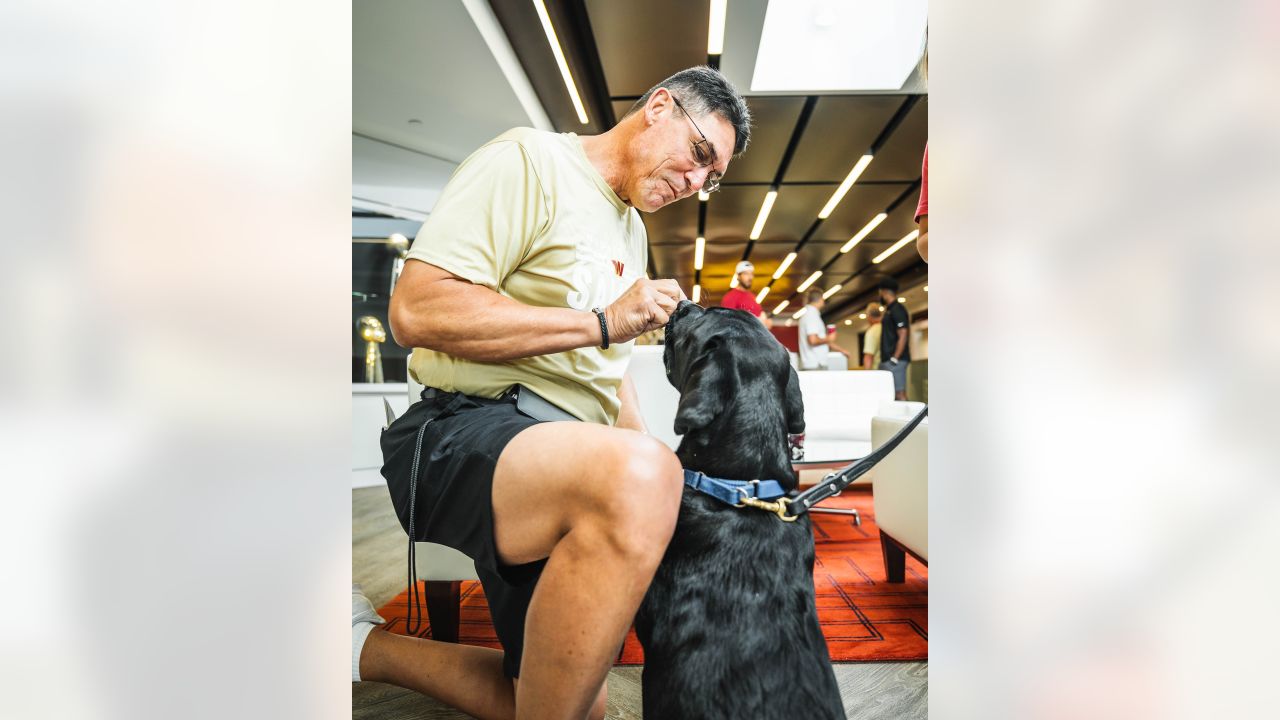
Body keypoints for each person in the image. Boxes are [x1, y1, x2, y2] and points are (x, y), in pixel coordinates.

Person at [354, 66, 752, 720]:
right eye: (698, 155)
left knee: (565, 705)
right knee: (646, 477)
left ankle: (360, 648)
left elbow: (608, 370)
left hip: (560, 456)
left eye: (711, 178)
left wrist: (652, 462)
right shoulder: (530, 161)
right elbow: (417, 310)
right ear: (658, 107)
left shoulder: (632, 231)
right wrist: (601, 322)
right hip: (458, 433)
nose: (695, 182)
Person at [797, 288, 850, 370]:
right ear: (821, 299)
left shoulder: (810, 315)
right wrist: (829, 338)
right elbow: (813, 340)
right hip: (815, 364)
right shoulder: (811, 316)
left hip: (814, 363)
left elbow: (822, 341)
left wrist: (841, 350)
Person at [877, 277, 911, 400]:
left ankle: (909, 419)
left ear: (884, 292)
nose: (879, 295)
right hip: (888, 360)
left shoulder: (897, 309)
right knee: (892, 395)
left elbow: (903, 333)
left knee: (899, 393)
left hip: (896, 360)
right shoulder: (889, 310)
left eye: (880, 292)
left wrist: (895, 358)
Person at [719, 260, 771, 327]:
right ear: (738, 276)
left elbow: (759, 316)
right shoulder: (730, 297)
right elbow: (727, 324)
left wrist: (766, 322)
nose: (750, 277)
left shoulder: (752, 296)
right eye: (746, 274)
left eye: (751, 274)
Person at [861, 302, 883, 370]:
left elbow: (868, 356)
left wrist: (867, 376)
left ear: (869, 316)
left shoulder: (872, 332)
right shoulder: (886, 328)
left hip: (877, 371)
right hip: (888, 369)